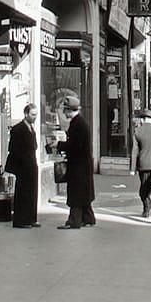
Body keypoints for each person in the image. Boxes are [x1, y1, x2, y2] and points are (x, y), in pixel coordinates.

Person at [56, 95, 96, 229]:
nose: (64, 113)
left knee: (76, 193)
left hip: (79, 166)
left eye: (65, 110)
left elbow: (74, 146)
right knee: (83, 192)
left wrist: (59, 145)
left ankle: (74, 221)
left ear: (69, 110)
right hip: (83, 165)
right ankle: (88, 218)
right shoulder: (80, 122)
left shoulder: (76, 124)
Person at [4, 104, 40, 228]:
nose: (35, 117)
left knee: (32, 192)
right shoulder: (18, 129)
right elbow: (14, 149)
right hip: (23, 166)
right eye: (32, 114)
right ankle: (21, 220)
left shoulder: (31, 128)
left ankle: (31, 218)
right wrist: (22, 162)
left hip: (31, 164)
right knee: (23, 192)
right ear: (26, 114)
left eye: (36, 115)